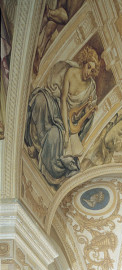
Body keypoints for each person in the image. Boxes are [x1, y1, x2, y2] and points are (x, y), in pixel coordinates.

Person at [25, 45, 100, 185]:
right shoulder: (71, 72)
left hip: (71, 120)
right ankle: (33, 141)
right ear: (84, 63)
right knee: (40, 98)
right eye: (88, 67)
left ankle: (43, 154)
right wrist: (64, 129)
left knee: (54, 134)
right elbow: (63, 99)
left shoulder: (91, 87)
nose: (89, 72)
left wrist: (88, 109)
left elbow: (84, 115)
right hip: (60, 109)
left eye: (92, 70)